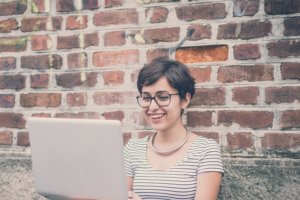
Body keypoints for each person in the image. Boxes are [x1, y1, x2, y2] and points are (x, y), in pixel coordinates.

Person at [124, 57, 224, 200]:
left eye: (163, 97)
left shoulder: (205, 150)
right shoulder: (132, 149)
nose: (152, 107)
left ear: (185, 100)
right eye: (146, 98)